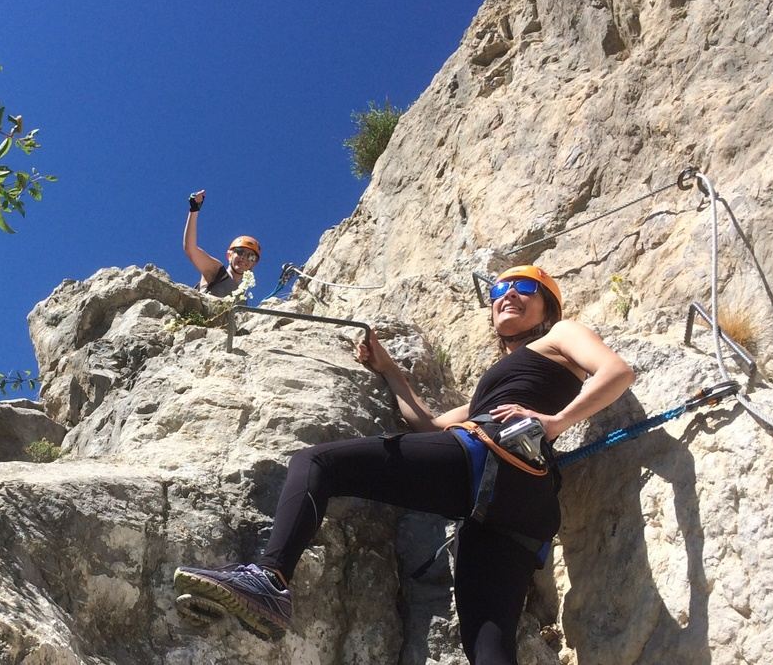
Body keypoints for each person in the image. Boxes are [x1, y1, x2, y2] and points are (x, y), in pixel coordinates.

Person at [174, 265, 635, 664]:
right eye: (499, 291)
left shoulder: (562, 333)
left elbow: (616, 372)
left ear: (548, 309)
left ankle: (270, 579)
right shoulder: (497, 381)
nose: (508, 294)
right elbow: (431, 426)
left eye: (524, 289)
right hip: (519, 504)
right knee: (487, 648)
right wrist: (389, 369)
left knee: (319, 462)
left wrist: (555, 421)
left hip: (488, 461)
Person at [183, 189, 260, 298]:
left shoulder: (243, 296)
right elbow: (190, 248)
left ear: (254, 264)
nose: (244, 258)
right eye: (240, 252)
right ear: (229, 255)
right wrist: (194, 209)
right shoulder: (216, 271)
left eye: (251, 256)